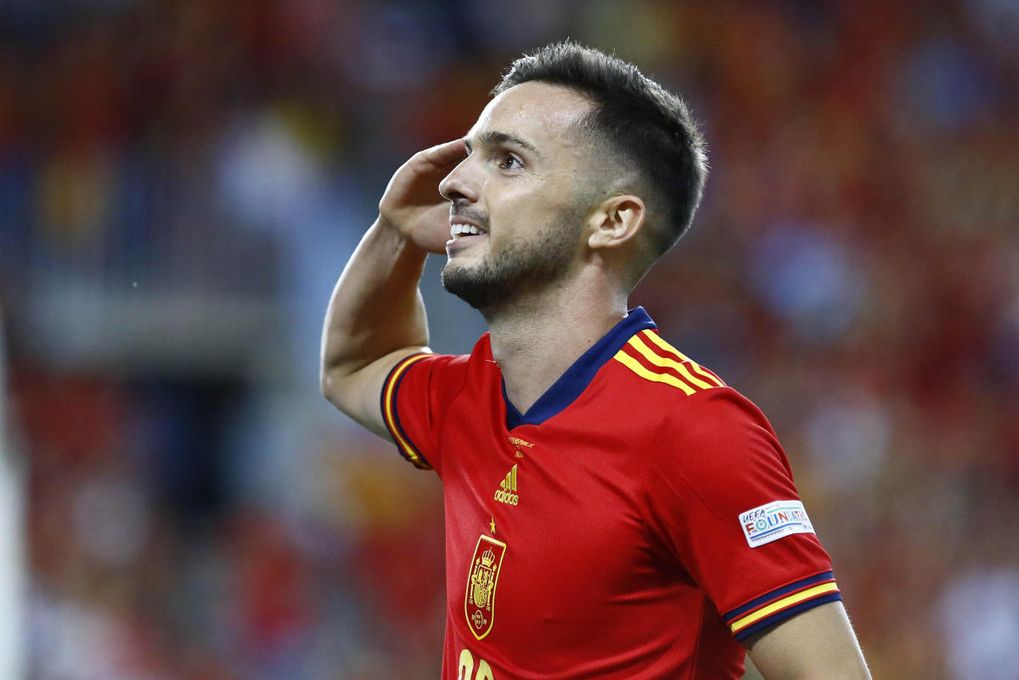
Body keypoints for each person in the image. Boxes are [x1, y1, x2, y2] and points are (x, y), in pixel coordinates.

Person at [321, 41, 871, 679]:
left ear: (612, 221)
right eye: (470, 155)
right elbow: (355, 365)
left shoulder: (694, 430)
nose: (454, 182)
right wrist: (394, 232)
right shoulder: (474, 394)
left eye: (508, 161)